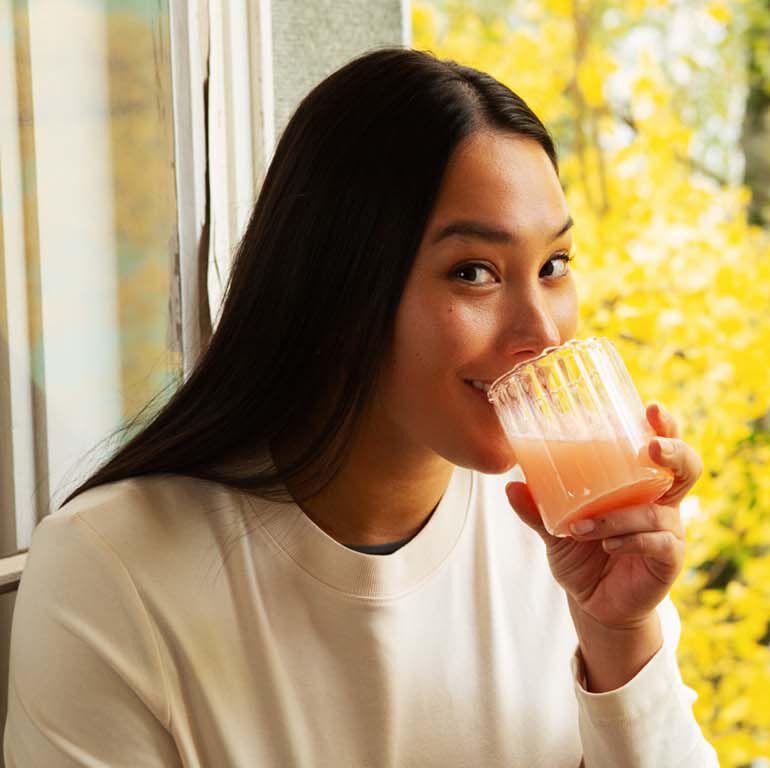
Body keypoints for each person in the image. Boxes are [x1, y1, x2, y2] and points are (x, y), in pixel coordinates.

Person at [5, 48, 719, 767]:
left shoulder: (567, 544)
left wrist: (620, 638)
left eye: (553, 266)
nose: (540, 334)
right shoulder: (115, 573)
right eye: (474, 272)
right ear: (340, 287)